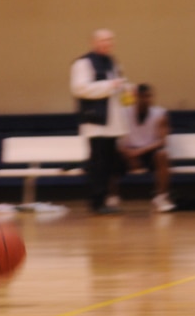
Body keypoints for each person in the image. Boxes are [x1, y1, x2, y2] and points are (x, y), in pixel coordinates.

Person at [70, 29, 129, 214]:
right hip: (96, 122)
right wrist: (110, 86)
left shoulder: (112, 61)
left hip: (112, 122)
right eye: (103, 40)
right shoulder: (83, 63)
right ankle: (96, 202)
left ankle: (105, 199)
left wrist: (127, 89)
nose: (107, 43)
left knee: (110, 164)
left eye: (110, 40)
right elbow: (80, 89)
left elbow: (117, 85)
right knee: (98, 164)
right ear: (94, 42)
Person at [114, 84, 176, 213]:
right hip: (128, 152)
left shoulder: (160, 114)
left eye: (148, 96)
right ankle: (112, 198)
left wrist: (138, 152)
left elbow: (162, 142)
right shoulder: (122, 113)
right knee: (109, 154)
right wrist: (128, 153)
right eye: (142, 96)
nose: (145, 99)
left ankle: (161, 197)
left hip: (148, 152)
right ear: (135, 97)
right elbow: (115, 141)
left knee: (162, 155)